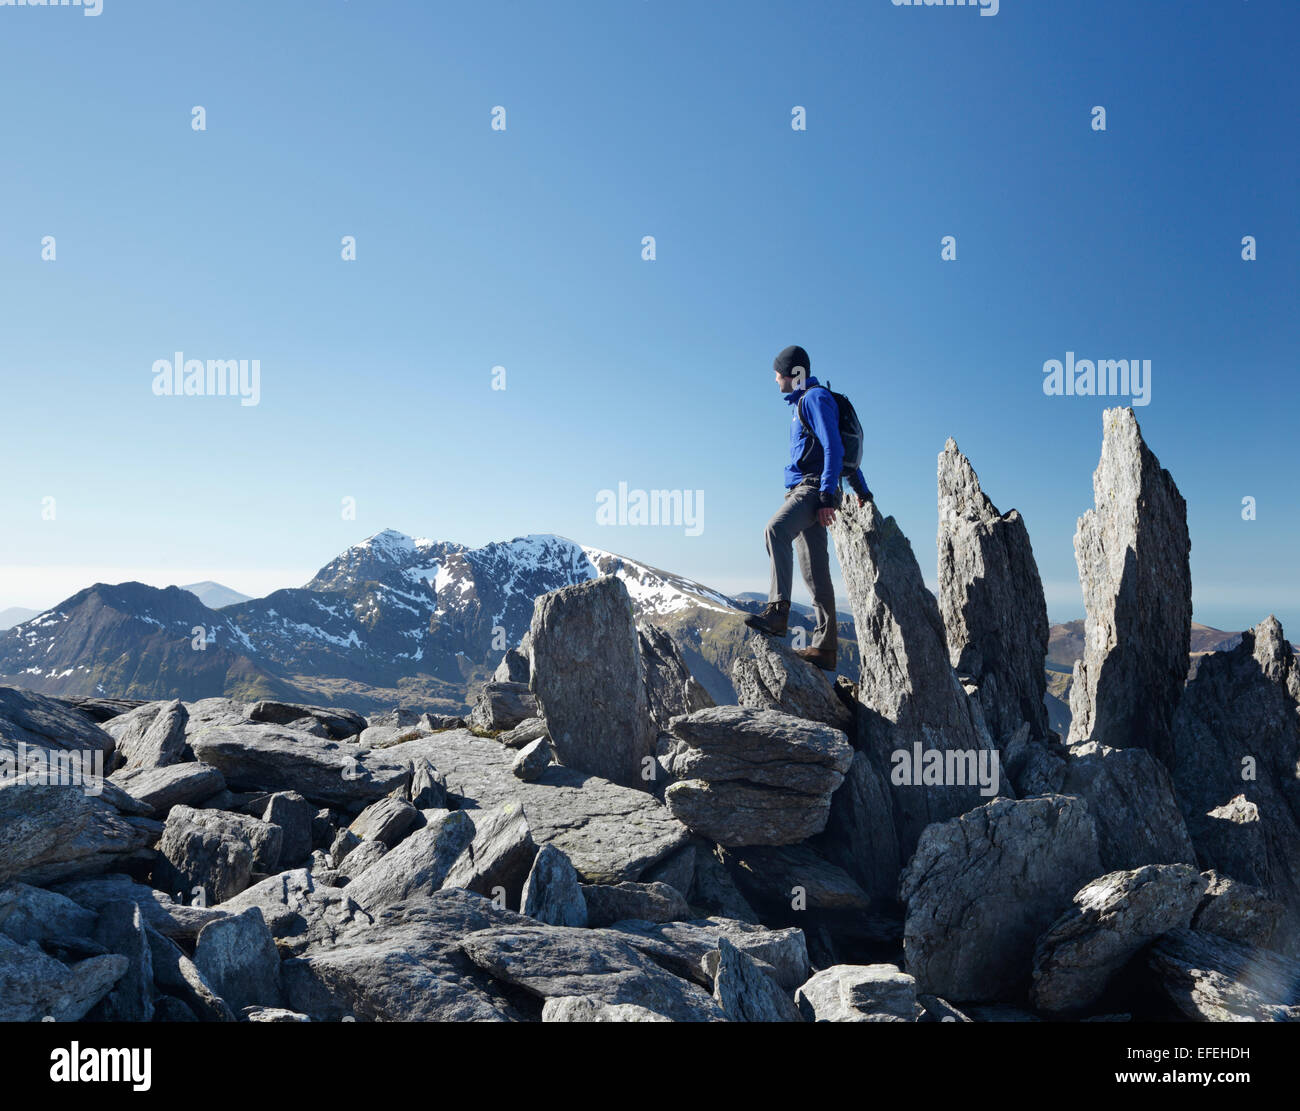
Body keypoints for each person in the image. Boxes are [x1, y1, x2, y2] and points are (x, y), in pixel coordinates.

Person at [743, 344, 872, 671]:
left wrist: (828, 497)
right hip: (816, 488)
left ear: (792, 373)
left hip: (813, 488)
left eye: (778, 373)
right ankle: (825, 649)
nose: (775, 379)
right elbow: (840, 452)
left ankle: (777, 612)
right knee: (815, 572)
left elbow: (833, 446)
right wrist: (862, 492)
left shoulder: (814, 398)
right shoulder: (808, 401)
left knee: (775, 530)